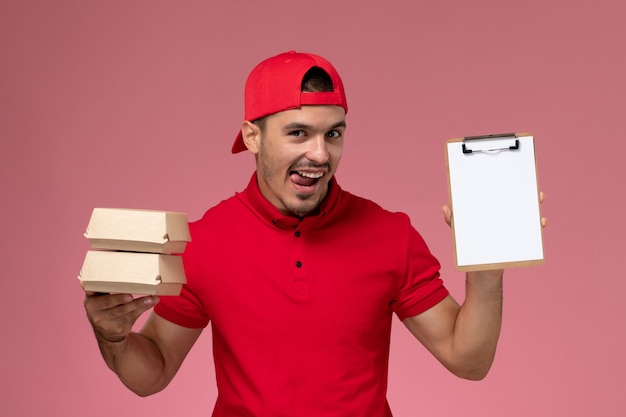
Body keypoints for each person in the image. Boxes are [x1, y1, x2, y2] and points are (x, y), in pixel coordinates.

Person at [84, 51, 538, 416]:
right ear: (253, 136)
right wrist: (115, 338)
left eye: (333, 134)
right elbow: (154, 371)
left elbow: (468, 360)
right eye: (298, 133)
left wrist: (486, 269)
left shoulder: (388, 233)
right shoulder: (205, 241)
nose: (319, 154)